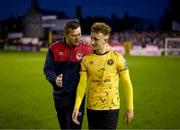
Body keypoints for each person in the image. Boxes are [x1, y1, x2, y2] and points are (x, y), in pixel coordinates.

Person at [72, 22, 134, 129]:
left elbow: (127, 83)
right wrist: (76, 107)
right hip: (92, 108)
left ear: (105, 40)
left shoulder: (118, 58)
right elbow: (82, 85)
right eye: (91, 38)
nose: (92, 41)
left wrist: (130, 108)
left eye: (96, 39)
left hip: (111, 108)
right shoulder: (86, 59)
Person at [43, 20, 92, 129]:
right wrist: (54, 79)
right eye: (74, 35)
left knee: (74, 127)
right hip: (59, 97)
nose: (78, 38)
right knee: (64, 127)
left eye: (79, 34)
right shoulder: (54, 49)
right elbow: (48, 69)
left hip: (77, 98)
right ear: (65, 35)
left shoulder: (87, 50)